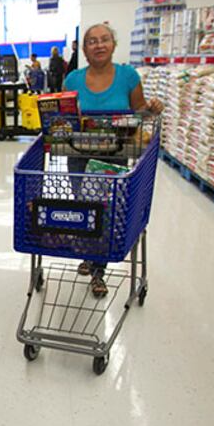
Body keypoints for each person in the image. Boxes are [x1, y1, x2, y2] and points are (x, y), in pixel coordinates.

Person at [63, 23, 163, 296]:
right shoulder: (72, 80)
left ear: (113, 44)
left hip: (115, 158)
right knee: (85, 209)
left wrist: (150, 109)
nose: (99, 45)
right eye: (92, 41)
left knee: (104, 212)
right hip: (79, 157)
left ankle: (99, 271)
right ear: (84, 50)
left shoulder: (128, 76)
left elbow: (138, 111)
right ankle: (90, 255)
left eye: (104, 39)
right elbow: (65, 116)